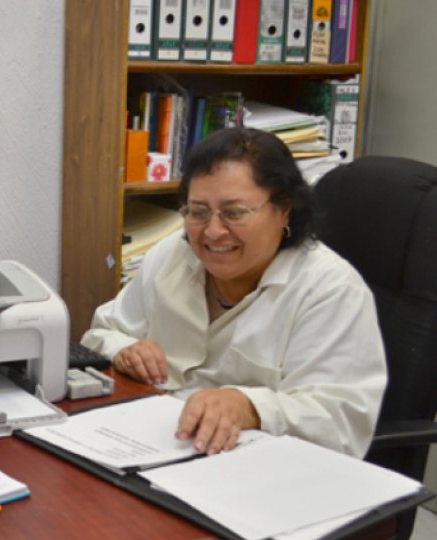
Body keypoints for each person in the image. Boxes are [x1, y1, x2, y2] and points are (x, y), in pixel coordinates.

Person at [82, 128, 386, 459]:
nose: (213, 231)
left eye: (234, 212)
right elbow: (100, 333)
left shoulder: (330, 291)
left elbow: (339, 425)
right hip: (152, 444)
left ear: (284, 210)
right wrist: (125, 349)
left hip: (259, 472)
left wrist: (247, 406)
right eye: (198, 211)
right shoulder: (173, 254)